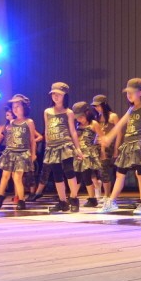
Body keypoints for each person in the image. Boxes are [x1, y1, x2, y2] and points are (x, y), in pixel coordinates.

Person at [98, 78, 141, 215]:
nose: (129, 95)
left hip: (139, 143)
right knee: (120, 173)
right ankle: (112, 201)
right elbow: (120, 124)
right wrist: (109, 137)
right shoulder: (131, 109)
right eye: (127, 92)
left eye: (132, 92)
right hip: (128, 144)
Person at [0, 94, 37, 210]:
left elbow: (32, 140)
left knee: (17, 177)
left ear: (24, 107)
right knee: (5, 175)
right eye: (13, 107)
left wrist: (33, 153)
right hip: (10, 152)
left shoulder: (29, 122)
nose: (15, 109)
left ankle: (21, 200)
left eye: (18, 106)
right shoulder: (11, 122)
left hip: (22, 153)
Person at [44, 82, 84, 213]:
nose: (55, 96)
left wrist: (77, 148)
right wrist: (47, 145)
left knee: (69, 170)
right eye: (53, 94)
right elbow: (46, 130)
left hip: (65, 145)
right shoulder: (47, 112)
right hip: (52, 146)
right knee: (56, 174)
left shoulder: (68, 112)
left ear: (64, 96)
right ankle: (62, 201)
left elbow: (72, 131)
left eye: (59, 94)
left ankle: (74, 198)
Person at [71, 101, 105, 207]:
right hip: (78, 153)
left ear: (87, 113)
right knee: (76, 176)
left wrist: (102, 151)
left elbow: (102, 138)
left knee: (87, 176)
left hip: (88, 153)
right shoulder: (77, 125)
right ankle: (73, 196)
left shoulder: (93, 124)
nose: (79, 119)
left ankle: (92, 198)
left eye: (81, 117)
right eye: (77, 118)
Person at [91, 94, 120, 201]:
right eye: (95, 106)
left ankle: (107, 195)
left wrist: (116, 149)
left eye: (98, 105)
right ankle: (97, 186)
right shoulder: (97, 117)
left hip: (108, 146)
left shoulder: (113, 116)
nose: (96, 108)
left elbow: (119, 133)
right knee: (90, 167)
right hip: (96, 145)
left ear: (104, 104)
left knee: (104, 169)